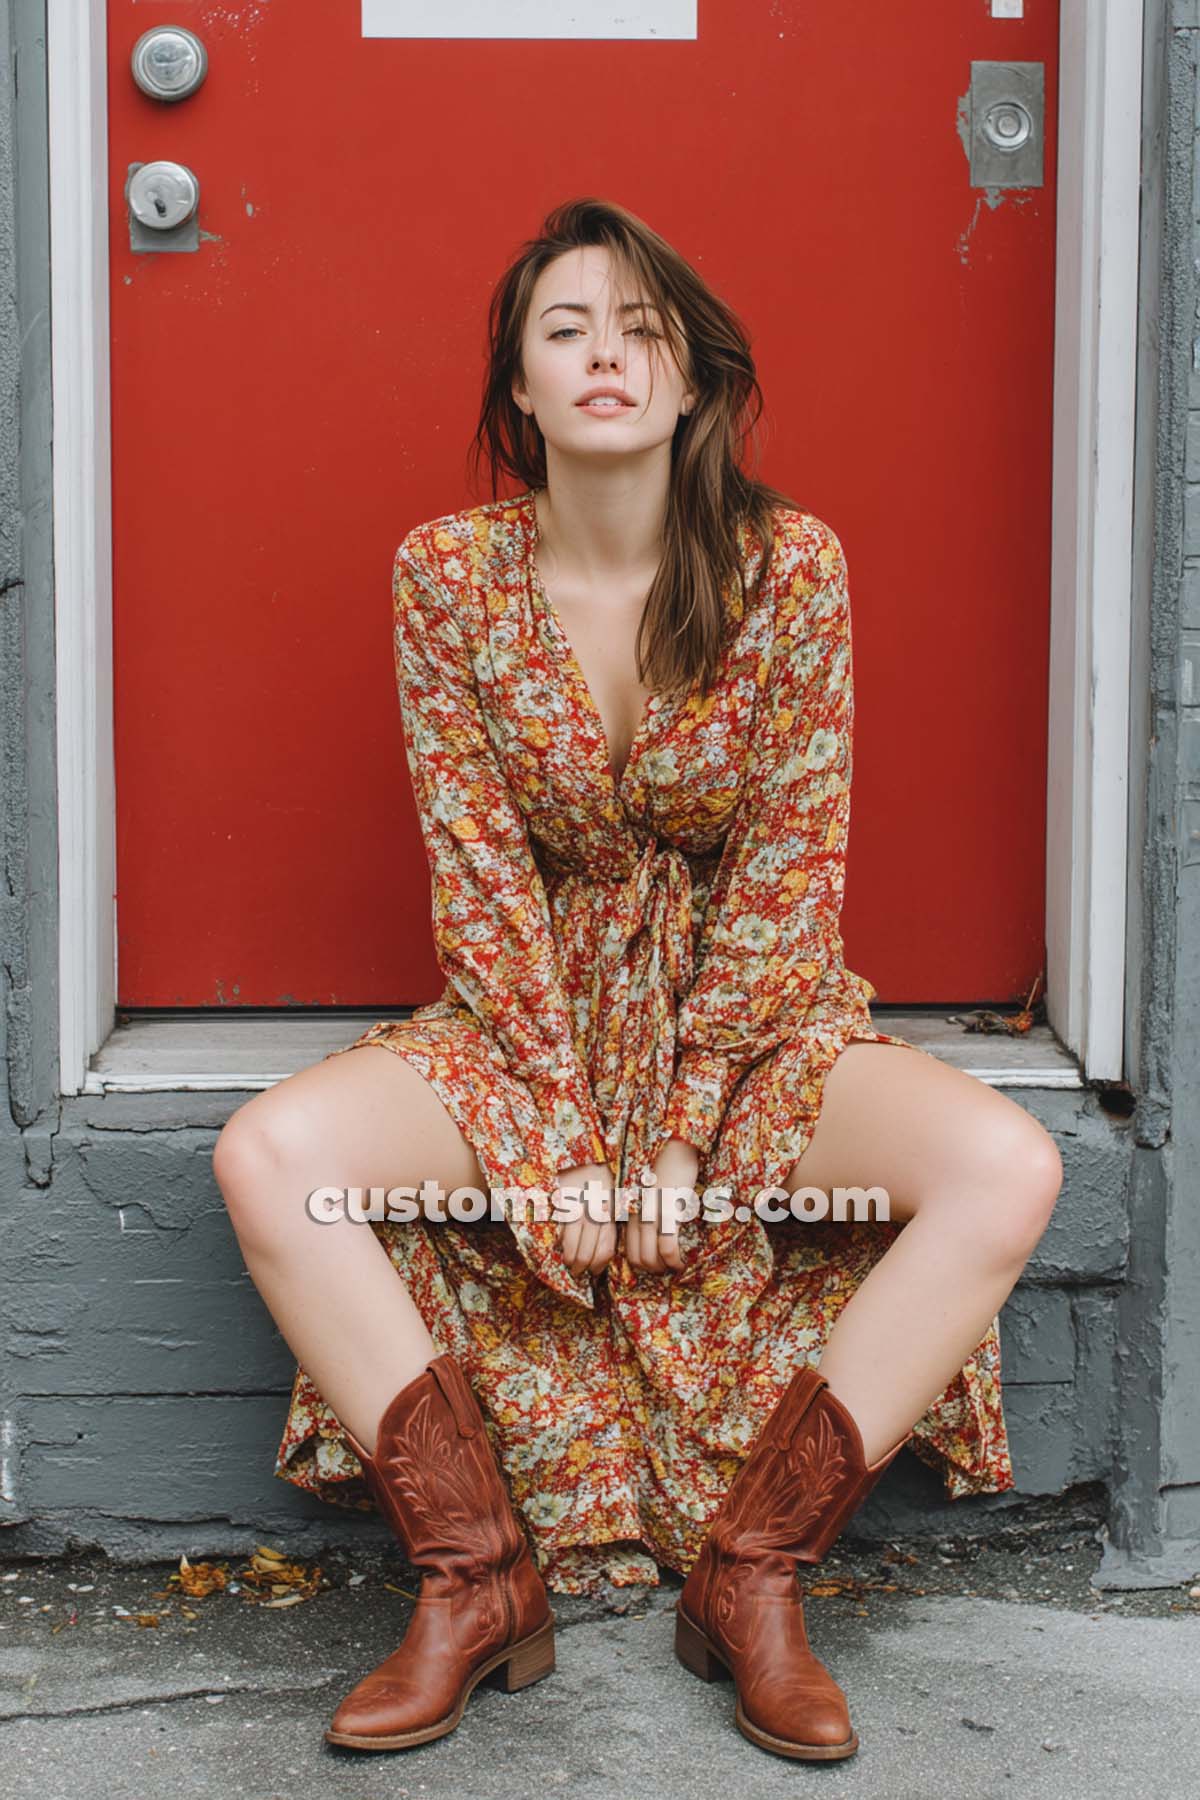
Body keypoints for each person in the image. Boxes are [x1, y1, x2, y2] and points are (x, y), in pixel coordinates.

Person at [212, 197, 1062, 1762]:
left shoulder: (787, 569)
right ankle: (475, 1583)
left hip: (748, 1025)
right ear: (519, 392)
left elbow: (793, 869)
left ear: (693, 382)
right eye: (565, 329)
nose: (606, 355)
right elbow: (475, 872)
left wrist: (675, 1135)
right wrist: (547, 1125)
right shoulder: (447, 577)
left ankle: (750, 1575)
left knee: (1006, 1168)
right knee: (274, 1160)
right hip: (529, 1011)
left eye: (642, 329)